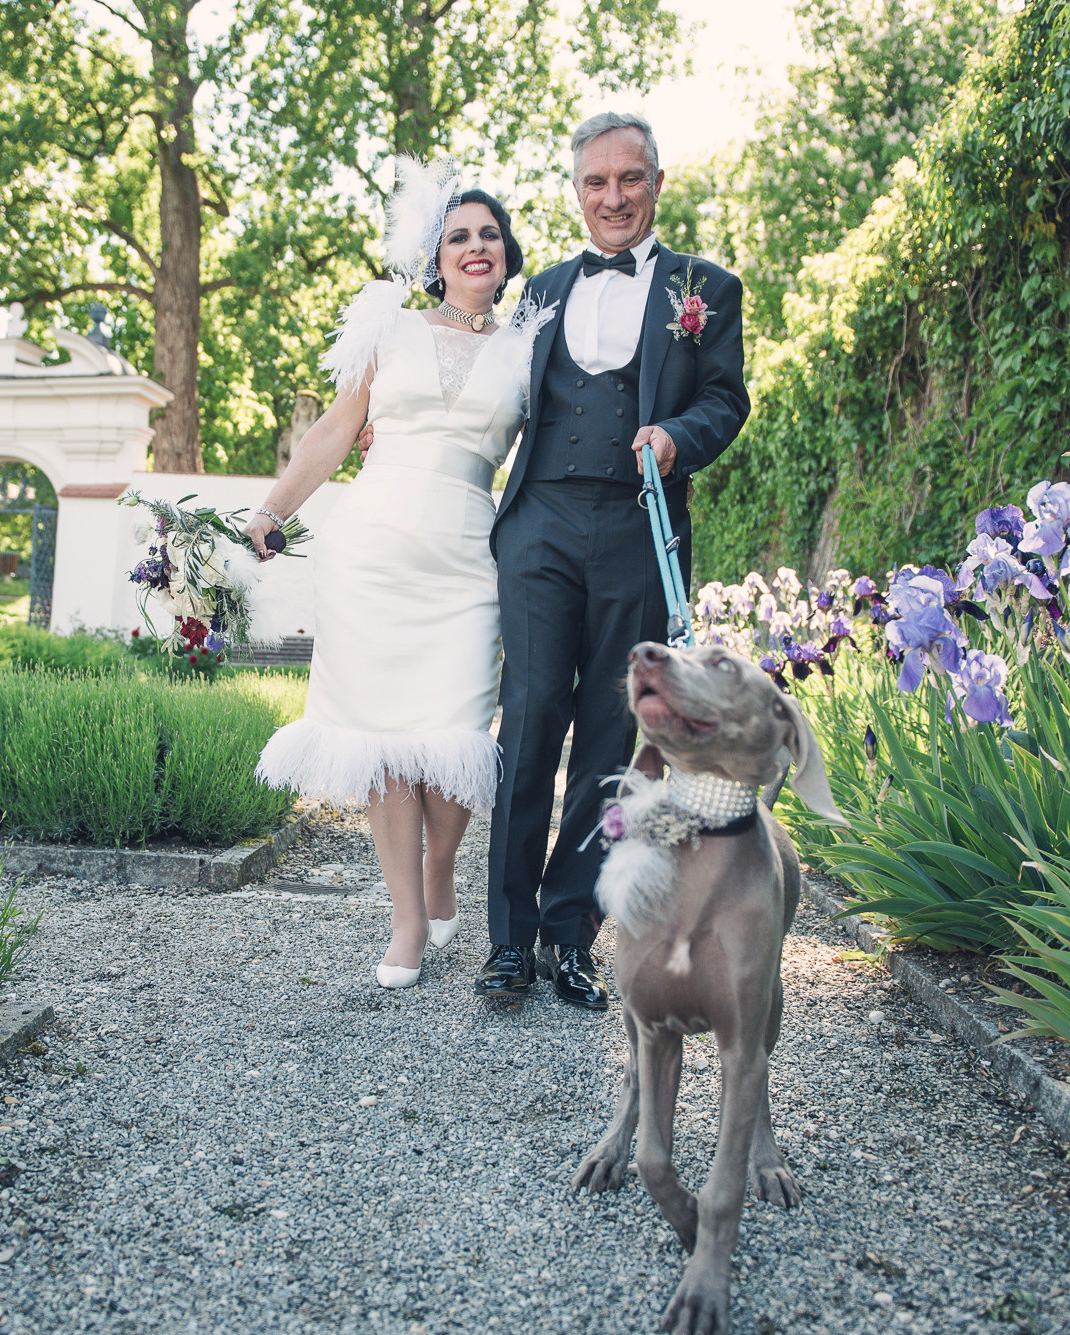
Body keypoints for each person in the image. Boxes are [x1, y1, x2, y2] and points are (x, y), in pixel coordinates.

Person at [246, 161, 553, 990]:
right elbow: (335, 433)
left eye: (489, 234)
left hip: (467, 560)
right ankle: (406, 916)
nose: (476, 246)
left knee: (454, 733)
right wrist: (272, 509)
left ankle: (442, 863)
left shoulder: (532, 351)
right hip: (373, 552)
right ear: (435, 255)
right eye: (459, 236)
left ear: (507, 251)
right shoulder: (389, 329)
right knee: (385, 737)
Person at [476, 111, 750, 1009]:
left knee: (605, 731)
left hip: (638, 525)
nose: (613, 198)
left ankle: (568, 935)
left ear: (656, 184)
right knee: (529, 716)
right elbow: (489, 393)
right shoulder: (542, 290)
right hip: (542, 523)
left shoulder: (706, 287)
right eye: (596, 183)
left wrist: (674, 437)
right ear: (578, 194)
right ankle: (508, 940)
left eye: (629, 180)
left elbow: (725, 400)